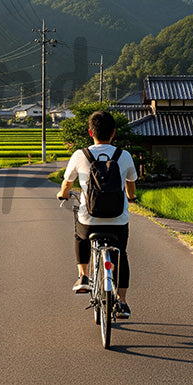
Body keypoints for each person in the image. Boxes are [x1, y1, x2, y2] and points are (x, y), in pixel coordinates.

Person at [57, 110, 138, 319]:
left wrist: (63, 194)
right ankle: (122, 302)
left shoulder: (79, 155)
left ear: (90, 131)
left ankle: (83, 277)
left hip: (89, 219)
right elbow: (131, 185)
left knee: (79, 235)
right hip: (118, 219)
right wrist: (131, 198)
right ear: (113, 133)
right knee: (121, 253)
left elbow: (67, 183)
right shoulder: (124, 155)